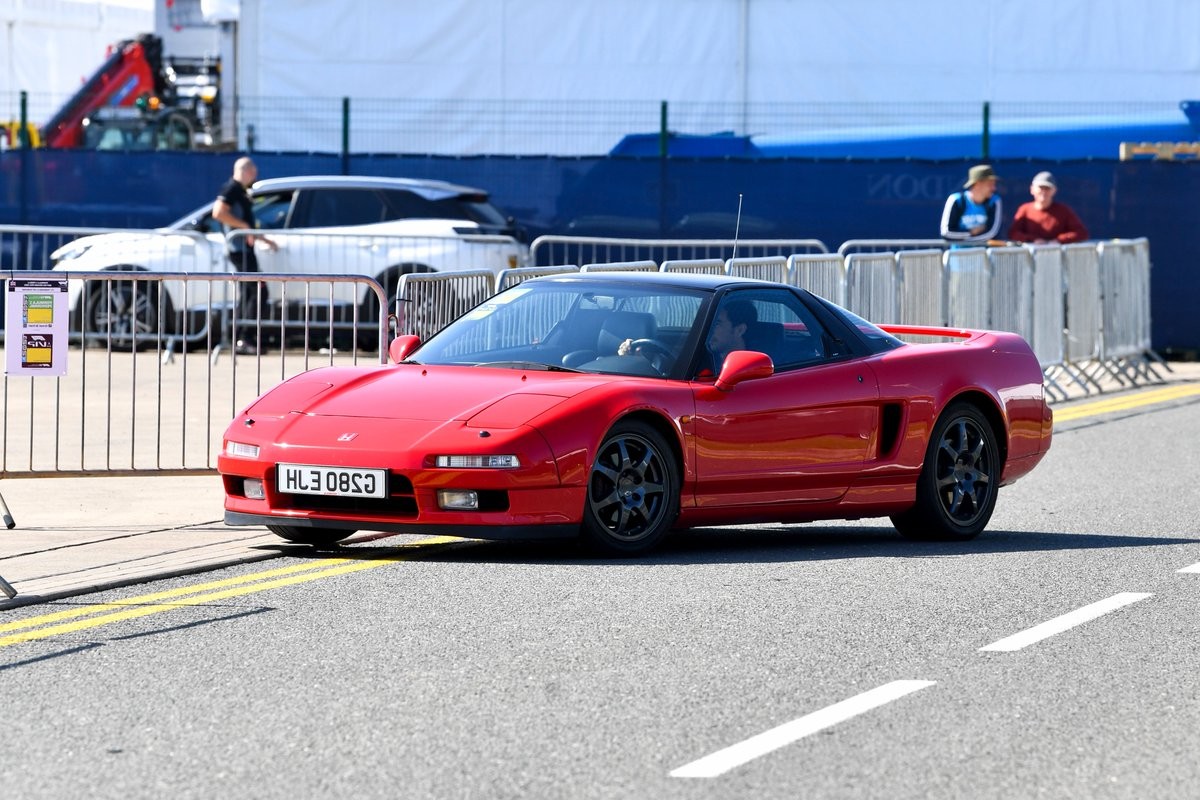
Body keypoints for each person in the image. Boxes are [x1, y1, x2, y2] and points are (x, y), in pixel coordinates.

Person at [212, 156, 277, 354]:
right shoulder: (232, 188)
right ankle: (244, 338)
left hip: (244, 250)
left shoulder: (240, 191)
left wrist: (263, 239)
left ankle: (242, 337)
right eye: (254, 170)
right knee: (258, 291)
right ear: (245, 170)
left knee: (250, 293)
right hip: (239, 251)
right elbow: (218, 213)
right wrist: (245, 227)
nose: (256, 173)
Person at [1008, 171, 1089, 244]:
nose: (1043, 192)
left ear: (1054, 191)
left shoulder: (1063, 210)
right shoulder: (1024, 209)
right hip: (1030, 258)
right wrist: (1033, 240)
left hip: (1056, 257)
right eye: (1040, 188)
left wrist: (1058, 240)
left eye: (1047, 188)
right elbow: (1013, 233)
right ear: (1032, 189)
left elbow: (1081, 233)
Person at [941, 164, 1003, 245]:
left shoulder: (995, 201)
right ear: (977, 184)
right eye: (990, 184)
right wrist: (971, 232)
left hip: (984, 256)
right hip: (957, 256)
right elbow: (946, 233)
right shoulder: (956, 200)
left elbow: (992, 232)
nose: (994, 188)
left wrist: (966, 240)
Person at [703, 298, 756, 373]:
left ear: (740, 330)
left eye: (717, 324)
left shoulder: (751, 371)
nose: (709, 329)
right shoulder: (700, 361)